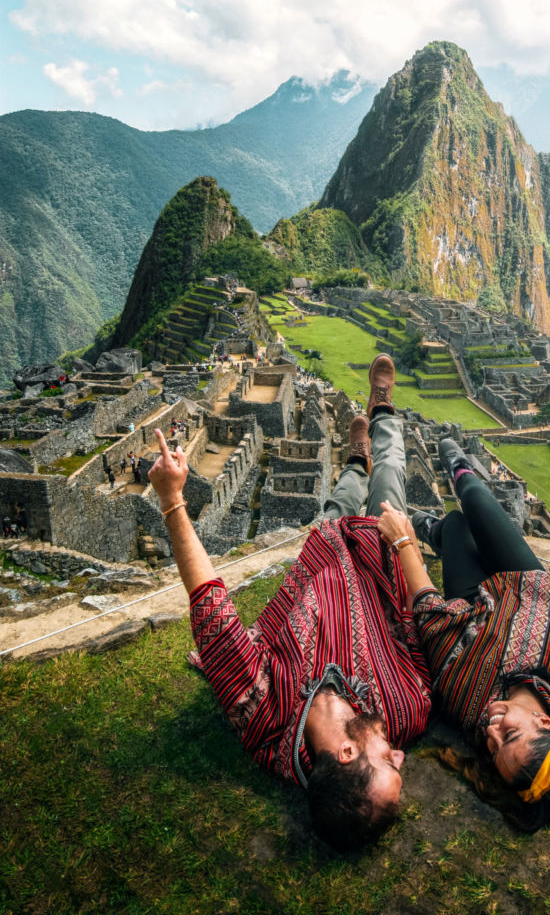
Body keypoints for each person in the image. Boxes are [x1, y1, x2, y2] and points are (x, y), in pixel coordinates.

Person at [148, 354, 431, 851]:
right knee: (391, 474)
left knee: (337, 505)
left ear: (345, 752)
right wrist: (403, 548)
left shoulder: (265, 713)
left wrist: (172, 500)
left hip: (322, 556)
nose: (402, 756)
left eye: (388, 762)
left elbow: (212, 611)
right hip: (377, 561)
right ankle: (380, 414)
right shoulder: (402, 713)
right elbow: (418, 632)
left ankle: (354, 463)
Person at [376, 437, 550, 833]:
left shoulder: (470, 706)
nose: (491, 729)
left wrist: (403, 543)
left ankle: (440, 534)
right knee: (477, 501)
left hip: (473, 607)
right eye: (510, 733)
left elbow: (433, 617)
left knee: (456, 524)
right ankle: (458, 466)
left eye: (492, 747)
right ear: (547, 723)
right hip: (526, 588)